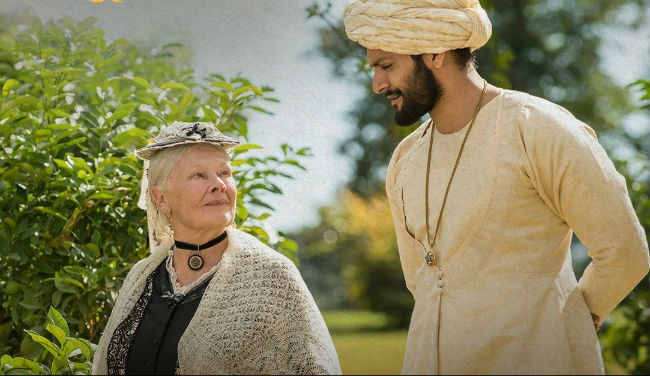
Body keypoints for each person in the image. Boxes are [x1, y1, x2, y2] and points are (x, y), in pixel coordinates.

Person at [343, 0, 650, 374]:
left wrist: (568, 321)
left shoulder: (537, 128)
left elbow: (625, 250)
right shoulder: (406, 158)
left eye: (386, 66)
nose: (378, 85)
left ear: (436, 53)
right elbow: (422, 282)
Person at [92, 121, 341, 375]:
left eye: (224, 173)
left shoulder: (271, 277)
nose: (219, 185)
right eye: (199, 175)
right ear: (161, 198)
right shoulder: (141, 277)